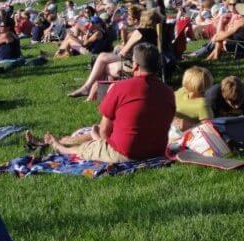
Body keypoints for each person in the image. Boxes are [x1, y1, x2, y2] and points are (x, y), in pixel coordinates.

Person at [44, 44, 175, 162]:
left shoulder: (120, 87)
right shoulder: (168, 92)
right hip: (157, 151)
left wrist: (102, 141)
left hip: (127, 153)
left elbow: (105, 130)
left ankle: (62, 148)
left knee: (86, 148)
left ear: (135, 65)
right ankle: (80, 140)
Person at [68, 9, 162, 98]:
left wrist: (122, 46)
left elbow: (123, 53)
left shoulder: (140, 32)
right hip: (154, 66)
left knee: (103, 59)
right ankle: (95, 92)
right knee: (104, 59)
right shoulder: (157, 33)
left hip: (138, 66)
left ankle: (90, 90)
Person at [172, 66, 214, 133]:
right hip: (171, 128)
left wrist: (191, 126)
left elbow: (209, 127)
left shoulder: (202, 104)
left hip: (187, 136)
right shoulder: (181, 91)